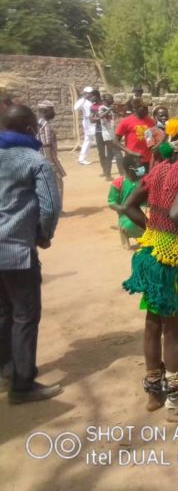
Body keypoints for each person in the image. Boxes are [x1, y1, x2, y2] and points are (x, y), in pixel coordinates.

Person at [121, 119, 178, 417]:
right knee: (174, 328)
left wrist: (152, 227)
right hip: (172, 260)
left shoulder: (159, 169)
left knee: (153, 322)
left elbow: (128, 206)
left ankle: (154, 391)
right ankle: (175, 400)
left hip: (150, 253)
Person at [0, 104, 62, 403]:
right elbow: (50, 205)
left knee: (3, 312)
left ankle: (6, 371)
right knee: (25, 316)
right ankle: (22, 386)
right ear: (29, 129)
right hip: (17, 251)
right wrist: (44, 235)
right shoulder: (35, 160)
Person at [108, 153, 146, 249]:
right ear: (130, 168)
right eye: (138, 165)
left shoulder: (145, 179)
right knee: (132, 224)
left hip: (145, 211)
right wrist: (124, 210)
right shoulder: (119, 183)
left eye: (142, 165)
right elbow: (112, 203)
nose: (142, 168)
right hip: (127, 215)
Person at [114, 98, 155, 173]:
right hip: (133, 160)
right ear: (136, 108)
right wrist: (129, 152)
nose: (147, 110)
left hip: (147, 159)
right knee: (134, 179)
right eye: (144, 108)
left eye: (147, 108)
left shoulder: (151, 121)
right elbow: (116, 141)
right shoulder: (126, 121)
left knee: (146, 179)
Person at [37, 101, 66, 207]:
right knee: (58, 182)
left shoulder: (36, 123)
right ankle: (57, 208)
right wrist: (51, 163)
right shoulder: (45, 125)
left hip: (38, 157)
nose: (53, 112)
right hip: (47, 157)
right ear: (44, 111)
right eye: (51, 110)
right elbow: (46, 145)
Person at [90, 90, 117, 180]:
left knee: (110, 152)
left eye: (92, 96)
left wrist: (99, 117)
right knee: (101, 153)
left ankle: (107, 172)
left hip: (108, 132)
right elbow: (91, 119)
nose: (91, 98)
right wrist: (101, 117)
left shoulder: (106, 106)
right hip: (99, 131)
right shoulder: (94, 107)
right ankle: (105, 171)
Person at [75, 86, 94, 165]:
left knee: (89, 140)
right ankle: (82, 159)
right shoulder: (82, 101)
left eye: (91, 93)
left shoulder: (93, 100)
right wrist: (83, 99)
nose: (90, 94)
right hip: (88, 122)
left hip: (95, 120)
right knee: (92, 139)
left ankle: (82, 158)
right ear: (85, 93)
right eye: (89, 93)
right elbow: (76, 108)